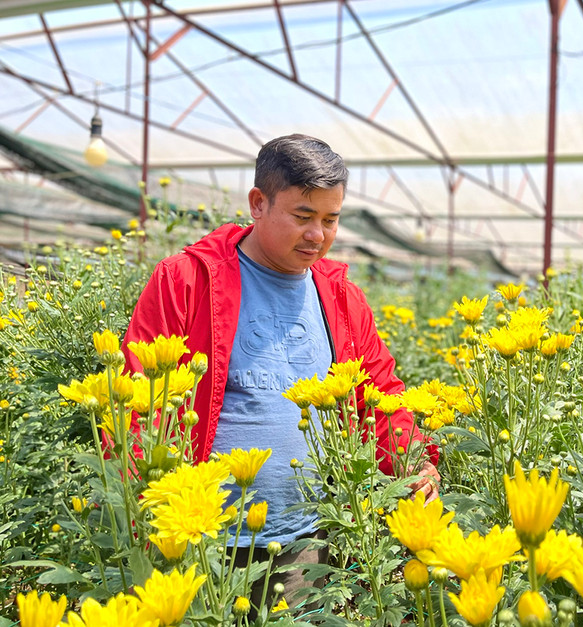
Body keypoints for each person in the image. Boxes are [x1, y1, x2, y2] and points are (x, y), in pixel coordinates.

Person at [122, 134, 440, 606]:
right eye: (303, 217)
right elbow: (137, 402)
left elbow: (379, 390)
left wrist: (414, 464)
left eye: (331, 220)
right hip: (202, 541)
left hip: (305, 541)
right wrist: (147, 520)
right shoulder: (188, 281)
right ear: (258, 204)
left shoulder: (342, 299)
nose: (319, 235)